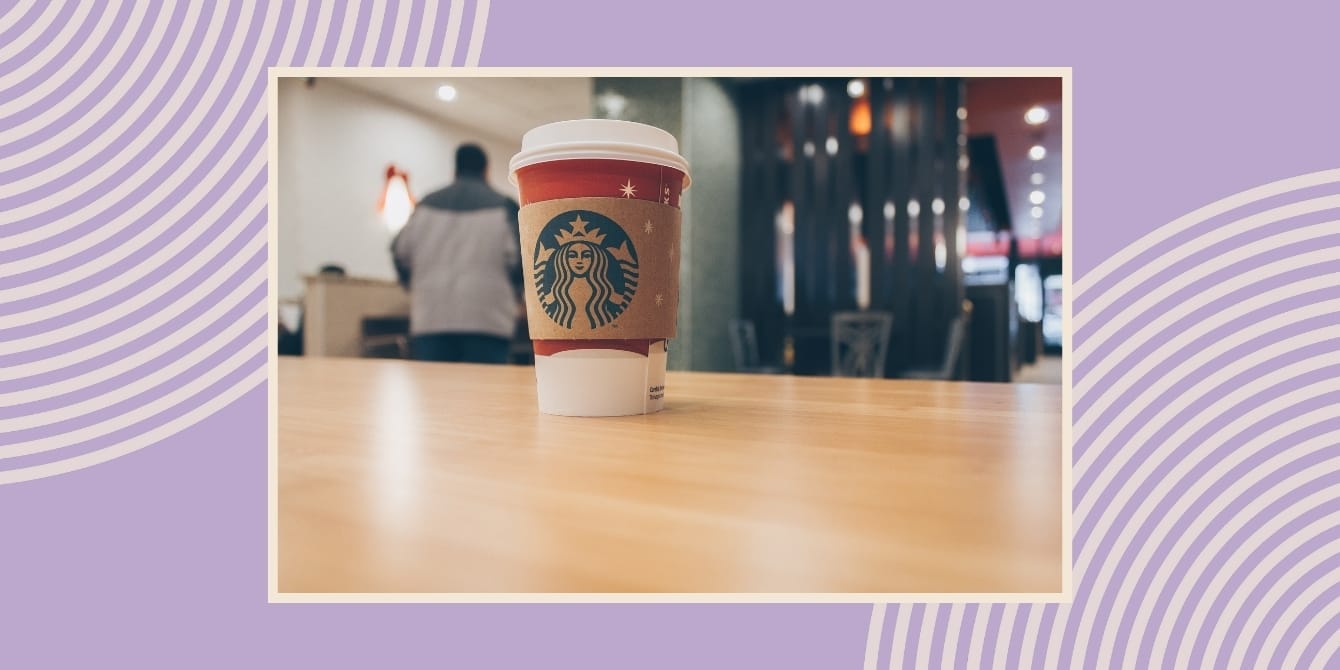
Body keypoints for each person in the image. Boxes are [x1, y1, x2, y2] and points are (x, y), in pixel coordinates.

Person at [391, 144, 522, 364]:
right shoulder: (504, 207)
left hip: (431, 317)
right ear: (486, 170)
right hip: (488, 319)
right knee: (485, 394)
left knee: (436, 393)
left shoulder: (424, 207)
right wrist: (517, 293)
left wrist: (410, 283)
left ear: (455, 169)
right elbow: (520, 261)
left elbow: (400, 252)